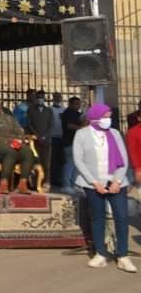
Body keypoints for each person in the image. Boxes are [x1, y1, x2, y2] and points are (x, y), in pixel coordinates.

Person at [74, 104, 136, 273]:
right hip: (93, 184)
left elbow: (123, 159)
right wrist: (94, 182)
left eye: (109, 117)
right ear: (94, 117)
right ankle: (100, 253)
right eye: (105, 117)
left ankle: (123, 255)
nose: (108, 120)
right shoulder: (82, 134)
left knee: (121, 217)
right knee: (97, 217)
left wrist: (117, 180)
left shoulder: (115, 133)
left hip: (116, 182)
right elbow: (79, 160)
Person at [0, 100, 35, 194]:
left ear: (0, 108)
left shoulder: (9, 118)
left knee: (28, 152)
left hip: (14, 142)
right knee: (11, 151)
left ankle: (23, 184)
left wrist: (19, 140)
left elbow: (20, 131)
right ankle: (3, 184)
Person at [27, 89, 53, 190]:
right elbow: (29, 124)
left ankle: (46, 182)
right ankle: (34, 183)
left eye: (42, 97)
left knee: (46, 163)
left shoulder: (49, 110)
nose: (40, 99)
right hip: (35, 140)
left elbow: (51, 125)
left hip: (46, 140)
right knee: (35, 162)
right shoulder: (31, 110)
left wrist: (45, 135)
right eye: (38, 98)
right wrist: (36, 135)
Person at [61, 96, 85, 192]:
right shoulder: (68, 113)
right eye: (76, 104)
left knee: (76, 164)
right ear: (70, 104)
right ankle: (66, 185)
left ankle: (73, 183)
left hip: (77, 142)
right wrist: (82, 128)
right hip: (69, 142)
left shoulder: (78, 114)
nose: (78, 106)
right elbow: (70, 126)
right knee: (70, 163)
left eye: (79, 104)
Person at [49, 92, 66, 186]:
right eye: (56, 97)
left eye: (59, 97)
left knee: (62, 159)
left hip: (63, 137)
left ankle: (60, 179)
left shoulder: (64, 110)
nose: (58, 99)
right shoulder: (49, 109)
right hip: (52, 137)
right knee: (53, 159)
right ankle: (52, 179)